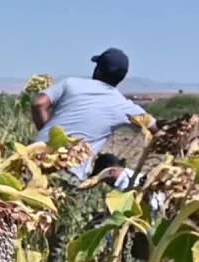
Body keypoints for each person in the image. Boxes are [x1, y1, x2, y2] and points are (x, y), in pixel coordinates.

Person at [31, 48, 151, 180]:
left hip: (32, 160)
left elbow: (39, 104)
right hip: (68, 174)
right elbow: (158, 129)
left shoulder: (70, 83)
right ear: (121, 78)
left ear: (98, 69)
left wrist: (49, 136)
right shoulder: (124, 106)